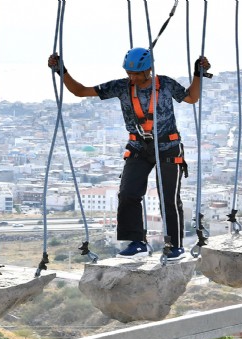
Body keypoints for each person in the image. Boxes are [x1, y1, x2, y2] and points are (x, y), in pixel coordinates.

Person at [48, 47, 211, 261]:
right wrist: (61, 70)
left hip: (167, 147)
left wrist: (198, 74)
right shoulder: (122, 87)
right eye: (129, 73)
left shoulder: (166, 84)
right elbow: (80, 91)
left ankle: (174, 246)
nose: (132, 77)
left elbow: (191, 98)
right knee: (127, 195)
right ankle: (137, 243)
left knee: (168, 199)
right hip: (138, 148)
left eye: (137, 73)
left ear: (149, 70)